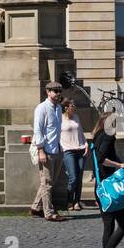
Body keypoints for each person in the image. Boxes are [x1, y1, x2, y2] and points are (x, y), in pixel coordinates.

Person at [91, 110, 124, 248]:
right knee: (123, 224)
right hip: (110, 188)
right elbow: (102, 159)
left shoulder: (97, 134)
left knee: (108, 225)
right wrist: (120, 165)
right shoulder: (108, 135)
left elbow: (96, 160)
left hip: (100, 187)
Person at [29, 82, 66, 222]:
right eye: (55, 91)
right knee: (47, 182)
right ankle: (49, 212)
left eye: (59, 91)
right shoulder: (42, 108)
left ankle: (35, 207)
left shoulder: (58, 108)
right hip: (46, 150)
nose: (58, 94)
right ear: (48, 92)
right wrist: (41, 150)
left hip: (56, 149)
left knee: (50, 182)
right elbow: (38, 130)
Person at [59, 98, 89, 211]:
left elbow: (80, 132)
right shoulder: (59, 118)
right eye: (72, 105)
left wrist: (86, 143)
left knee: (79, 177)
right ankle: (69, 201)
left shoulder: (76, 117)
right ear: (66, 107)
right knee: (73, 177)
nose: (74, 107)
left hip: (80, 149)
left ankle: (77, 201)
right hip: (68, 151)